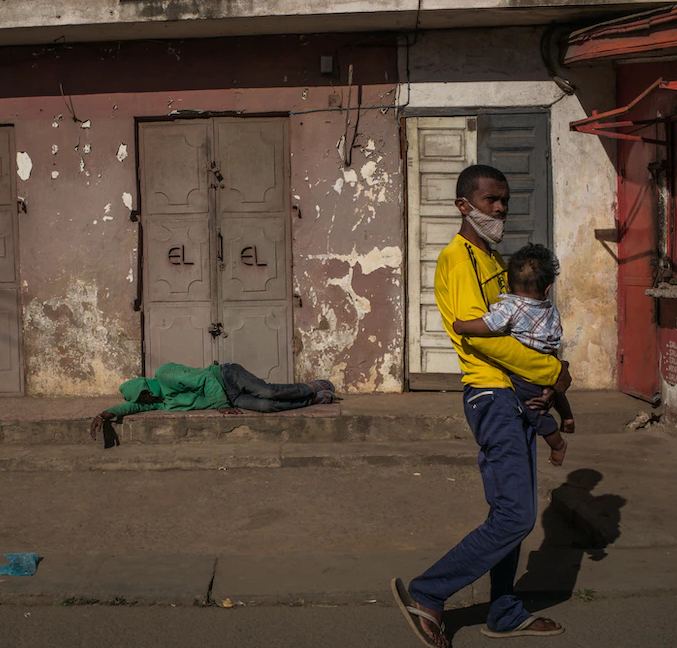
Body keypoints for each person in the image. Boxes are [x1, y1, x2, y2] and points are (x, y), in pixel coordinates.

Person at [392, 165, 572, 648]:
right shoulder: (458, 258)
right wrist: (549, 373)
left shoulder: (493, 260)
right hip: (492, 394)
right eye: (491, 199)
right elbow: (485, 339)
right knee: (516, 517)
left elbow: (520, 329)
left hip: (517, 395)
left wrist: (548, 386)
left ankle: (504, 610)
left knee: (508, 513)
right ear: (463, 205)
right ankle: (429, 593)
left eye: (505, 200)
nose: (500, 209)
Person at [452, 242, 574, 467]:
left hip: (525, 371)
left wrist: (462, 326)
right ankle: (567, 416)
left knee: (533, 409)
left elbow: (489, 326)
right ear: (547, 289)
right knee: (553, 390)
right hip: (548, 360)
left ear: (507, 283)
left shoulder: (511, 307)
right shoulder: (551, 309)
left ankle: (557, 444)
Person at [91, 362, 335, 437]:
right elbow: (132, 407)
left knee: (267, 392)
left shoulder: (165, 374)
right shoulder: (162, 402)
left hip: (226, 376)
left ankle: (312, 386)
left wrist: (220, 406)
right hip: (228, 398)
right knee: (266, 406)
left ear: (145, 385)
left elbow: (205, 380)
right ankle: (314, 399)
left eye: (144, 393)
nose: (147, 398)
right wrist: (107, 414)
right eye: (143, 398)